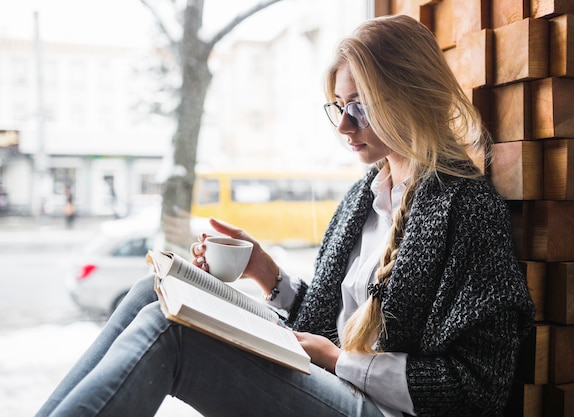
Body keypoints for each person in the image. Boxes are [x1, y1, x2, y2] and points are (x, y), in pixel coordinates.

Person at [35, 14, 534, 417]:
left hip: (378, 407)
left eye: (359, 107)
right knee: (157, 291)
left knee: (174, 334)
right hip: (335, 383)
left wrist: (342, 362)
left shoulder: (466, 208)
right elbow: (326, 324)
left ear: (407, 96)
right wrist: (264, 271)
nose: (343, 125)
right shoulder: (367, 196)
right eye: (338, 106)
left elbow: (481, 387)